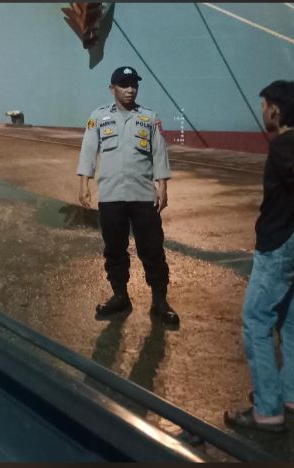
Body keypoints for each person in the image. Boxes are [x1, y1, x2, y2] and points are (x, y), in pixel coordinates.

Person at [224, 80, 294, 433]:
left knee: (256, 321)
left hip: (279, 242)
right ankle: (292, 395)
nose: (262, 110)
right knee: (292, 319)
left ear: (276, 110)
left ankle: (267, 409)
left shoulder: (283, 144)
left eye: (265, 104)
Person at [76, 66, 179, 327]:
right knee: (114, 249)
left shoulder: (149, 118)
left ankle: (159, 301)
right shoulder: (99, 117)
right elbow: (88, 150)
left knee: (152, 249)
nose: (130, 90)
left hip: (143, 196)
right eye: (124, 85)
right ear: (112, 88)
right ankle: (120, 296)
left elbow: (159, 153)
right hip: (110, 196)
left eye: (134, 85)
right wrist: (84, 183)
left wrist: (163, 186)